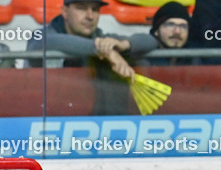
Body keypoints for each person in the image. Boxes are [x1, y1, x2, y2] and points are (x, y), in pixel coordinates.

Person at [27, 0, 158, 115]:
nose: (90, 16)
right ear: (65, 12)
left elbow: (150, 41)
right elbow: (43, 43)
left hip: (97, 125)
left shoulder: (102, 40)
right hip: (49, 126)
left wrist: (124, 45)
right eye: (81, 8)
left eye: (95, 9)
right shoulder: (43, 36)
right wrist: (101, 50)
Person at [144, 1, 194, 66]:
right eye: (170, 25)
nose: (177, 31)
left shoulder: (196, 58)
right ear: (156, 31)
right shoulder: (143, 58)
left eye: (183, 26)